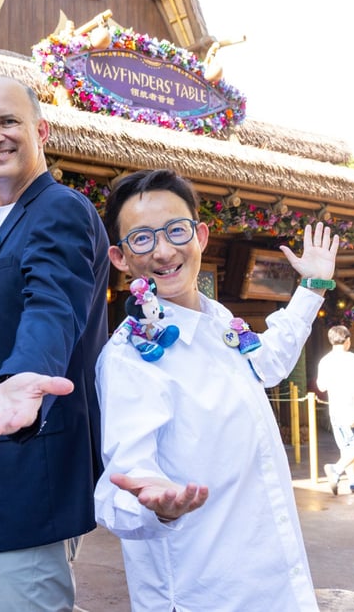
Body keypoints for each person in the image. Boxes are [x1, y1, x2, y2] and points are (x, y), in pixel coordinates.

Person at [93, 168, 334, 611]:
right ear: (120, 257)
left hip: (275, 582)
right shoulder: (130, 358)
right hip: (203, 592)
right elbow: (120, 488)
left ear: (200, 235)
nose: (163, 251)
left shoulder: (218, 319)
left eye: (175, 230)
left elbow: (268, 362)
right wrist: (157, 505)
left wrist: (312, 286)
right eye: (142, 239)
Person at [0, 76, 110, 611]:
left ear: (41, 130)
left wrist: (24, 374)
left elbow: (53, 303)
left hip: (30, 481)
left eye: (7, 121)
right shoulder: (3, 224)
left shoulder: (57, 207)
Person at [316, 325, 354, 495]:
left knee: (346, 447)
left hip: (335, 409)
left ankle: (353, 482)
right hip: (352, 408)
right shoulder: (350, 358)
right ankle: (336, 469)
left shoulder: (325, 360)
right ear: (347, 340)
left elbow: (321, 386)